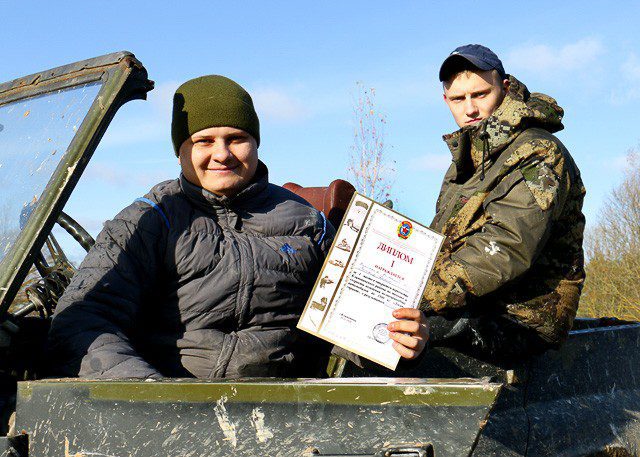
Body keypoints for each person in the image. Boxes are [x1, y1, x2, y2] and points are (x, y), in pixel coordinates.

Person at [46, 75, 428, 379]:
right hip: (175, 411)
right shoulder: (147, 221)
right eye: (204, 141)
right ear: (180, 150)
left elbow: (352, 328)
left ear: (256, 143)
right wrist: (151, 398)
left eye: (236, 139)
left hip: (290, 412)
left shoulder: (307, 221)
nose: (222, 154)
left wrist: (399, 341)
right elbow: (83, 321)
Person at [421, 44, 586, 359]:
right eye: (458, 99)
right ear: (446, 101)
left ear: (505, 88)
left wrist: (418, 291)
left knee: (402, 336)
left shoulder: (538, 152)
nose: (470, 109)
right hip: (470, 305)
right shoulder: (466, 163)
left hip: (523, 318)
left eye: (480, 94)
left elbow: (508, 247)